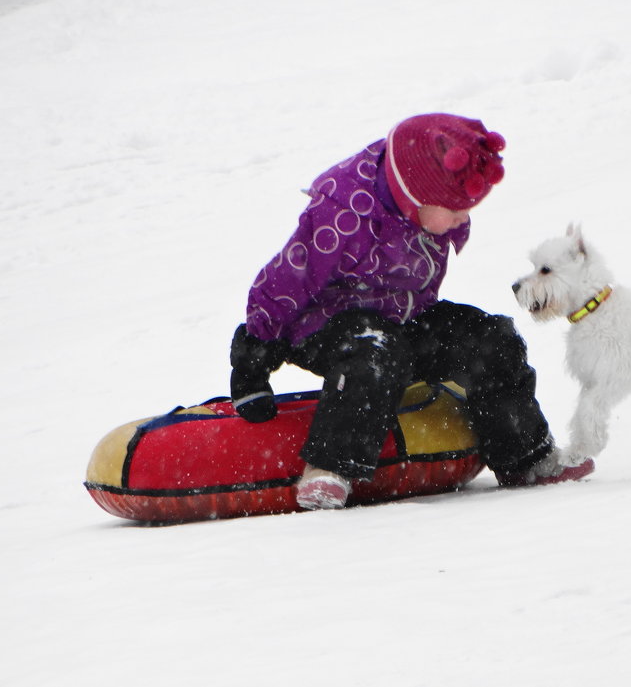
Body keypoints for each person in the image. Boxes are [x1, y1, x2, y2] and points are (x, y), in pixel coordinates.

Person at [229, 113, 594, 510]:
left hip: (404, 316)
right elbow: (286, 281)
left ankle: (525, 457)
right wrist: (252, 358)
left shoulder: (430, 204)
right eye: (454, 210)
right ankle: (328, 469)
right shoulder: (344, 213)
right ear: (416, 194)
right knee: (375, 348)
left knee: (491, 338)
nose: (462, 219)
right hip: (327, 327)